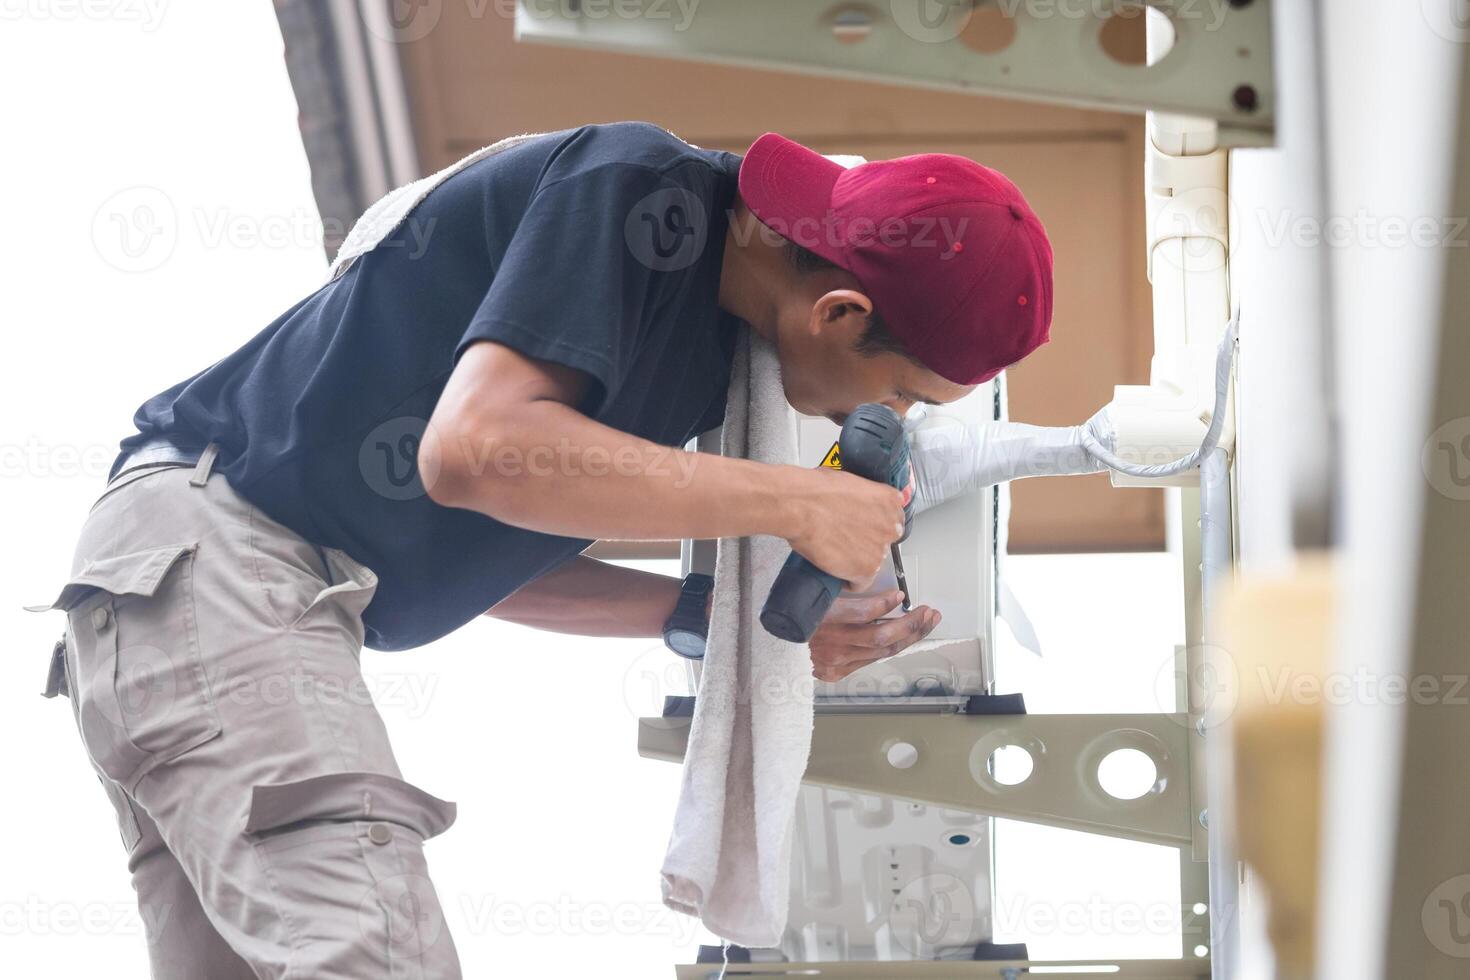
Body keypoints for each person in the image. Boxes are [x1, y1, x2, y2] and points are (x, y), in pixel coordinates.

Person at [34, 122, 1068, 978]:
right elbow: (476, 454)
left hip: (203, 597)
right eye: (901, 393)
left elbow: (482, 545)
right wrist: (797, 503)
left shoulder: (710, 348)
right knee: (372, 956)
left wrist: (706, 618)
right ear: (840, 311)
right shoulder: (636, 199)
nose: (885, 414)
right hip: (222, 562)